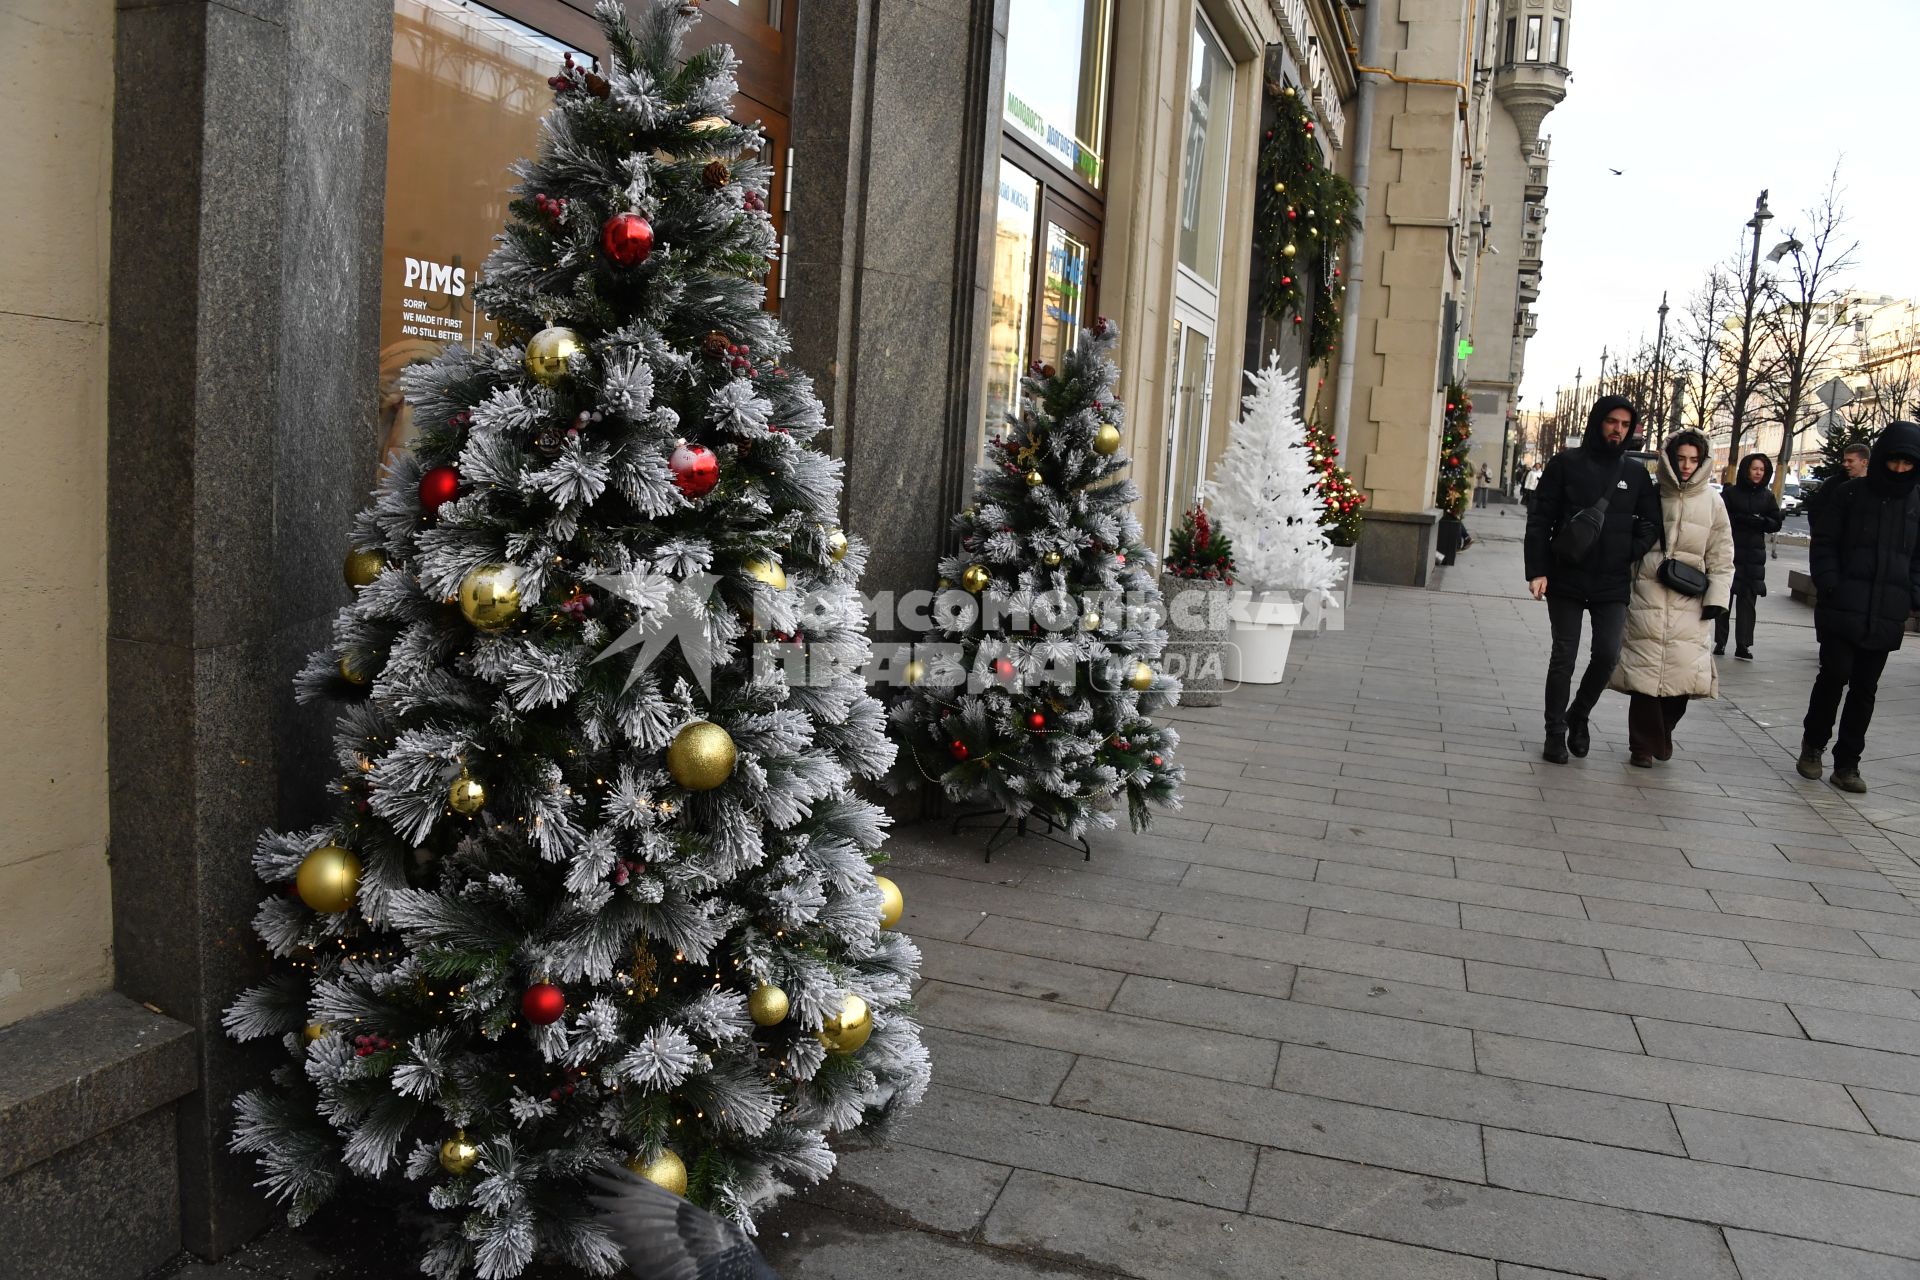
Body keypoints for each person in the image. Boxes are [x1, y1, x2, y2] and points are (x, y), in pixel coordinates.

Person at [1524, 395, 1663, 764]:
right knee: (1564, 657)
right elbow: (1540, 519)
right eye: (1611, 422)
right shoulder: (1565, 464)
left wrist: (1628, 550)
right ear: (1598, 422)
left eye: (1624, 424)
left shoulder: (1634, 473)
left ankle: (1579, 715)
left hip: (1611, 582)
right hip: (1566, 575)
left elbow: (1652, 521)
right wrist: (1537, 570)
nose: (1618, 430)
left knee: (1606, 654)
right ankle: (1555, 732)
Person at [1796, 421, 1920, 793]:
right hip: (1842, 606)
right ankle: (1813, 746)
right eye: (1894, 461)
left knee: (1866, 689)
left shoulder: (1917, 504)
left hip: (1886, 611)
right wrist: (1830, 584)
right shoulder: (1850, 494)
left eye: (1908, 464)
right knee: (1833, 677)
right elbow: (1825, 543)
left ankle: (1848, 762)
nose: (1899, 470)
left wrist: (1912, 594)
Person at [1607, 431, 1734, 767]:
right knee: (1644, 675)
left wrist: (1717, 600)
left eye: (1694, 459)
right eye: (1681, 458)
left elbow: (1722, 555)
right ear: (1670, 458)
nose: (1687, 466)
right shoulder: (1649, 494)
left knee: (1682, 678)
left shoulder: (1713, 502)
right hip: (1646, 591)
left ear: (1704, 460)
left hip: (1689, 598)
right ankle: (1642, 746)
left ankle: (1662, 731)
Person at [1715, 453, 1783, 660]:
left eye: (1761, 470)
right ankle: (1720, 641)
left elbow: (1775, 522)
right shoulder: (1731, 493)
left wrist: (1761, 521)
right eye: (1755, 469)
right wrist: (1744, 519)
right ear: (1746, 470)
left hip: (1753, 558)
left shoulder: (1767, 496)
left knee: (1747, 602)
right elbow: (1721, 518)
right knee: (1724, 601)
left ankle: (1743, 645)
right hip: (1731, 552)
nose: (1758, 473)